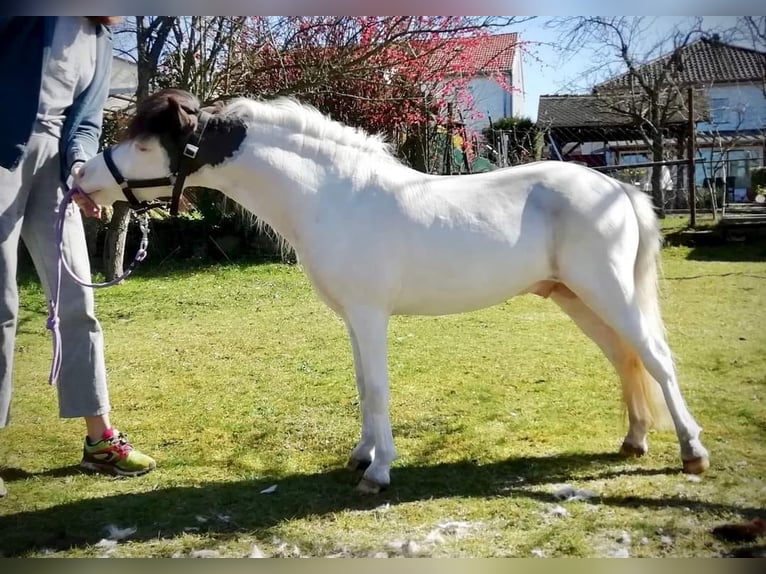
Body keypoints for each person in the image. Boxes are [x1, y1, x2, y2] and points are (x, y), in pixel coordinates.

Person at [0, 16, 156, 498]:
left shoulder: (101, 37)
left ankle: (100, 440)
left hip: (55, 169)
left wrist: (79, 169)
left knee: (77, 302)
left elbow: (85, 122)